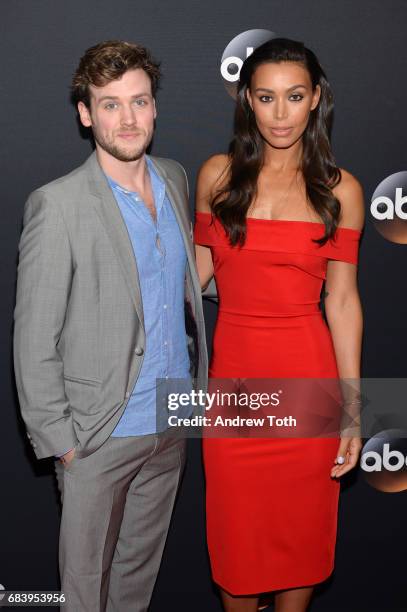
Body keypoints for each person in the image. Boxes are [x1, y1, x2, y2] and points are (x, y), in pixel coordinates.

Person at [14, 40, 207, 612]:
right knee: (85, 592)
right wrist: (65, 445)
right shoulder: (58, 205)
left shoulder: (174, 179)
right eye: (110, 104)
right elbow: (33, 339)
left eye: (139, 102)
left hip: (173, 420)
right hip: (101, 433)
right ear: (85, 112)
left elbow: (181, 285)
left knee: (135, 585)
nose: (127, 119)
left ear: (154, 108)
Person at [194, 38, 364, 612]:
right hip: (234, 392)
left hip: (310, 386)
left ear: (316, 99)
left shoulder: (341, 191)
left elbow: (341, 303)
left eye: (295, 96)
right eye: (267, 98)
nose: (282, 113)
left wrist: (354, 410)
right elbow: (191, 285)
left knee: (301, 544)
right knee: (236, 555)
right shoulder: (217, 177)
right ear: (248, 100)